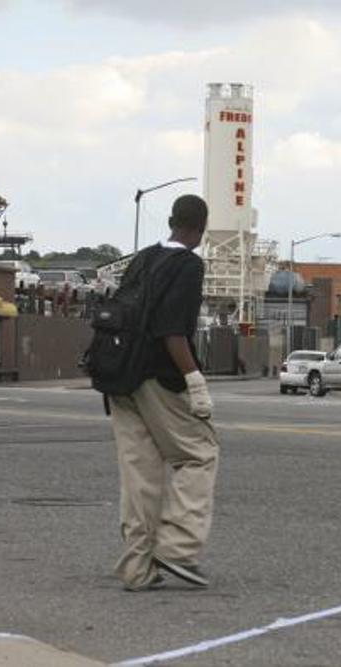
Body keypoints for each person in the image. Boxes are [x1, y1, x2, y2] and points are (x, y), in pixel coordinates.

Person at [107, 194, 219, 591]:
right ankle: (177, 547)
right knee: (200, 454)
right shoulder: (188, 264)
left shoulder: (141, 259)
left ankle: (137, 568)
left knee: (141, 472)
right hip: (156, 375)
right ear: (200, 229)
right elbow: (171, 332)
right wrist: (195, 381)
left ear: (171, 220)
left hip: (117, 378)